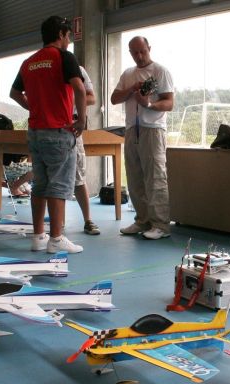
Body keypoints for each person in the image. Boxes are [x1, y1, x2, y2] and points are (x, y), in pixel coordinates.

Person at [9, 16, 87, 254]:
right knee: (60, 185)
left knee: (40, 184)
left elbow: (14, 93)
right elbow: (80, 89)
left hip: (35, 132)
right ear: (62, 34)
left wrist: (34, 107)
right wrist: (81, 120)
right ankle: (56, 239)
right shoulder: (64, 57)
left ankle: (38, 236)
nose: (69, 40)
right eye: (68, 36)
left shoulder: (29, 62)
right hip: (59, 131)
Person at [111, 36, 174, 240]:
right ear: (130, 53)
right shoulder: (128, 74)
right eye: (134, 52)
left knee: (155, 177)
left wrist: (148, 105)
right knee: (135, 177)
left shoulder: (160, 71)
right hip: (131, 129)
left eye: (142, 51)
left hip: (153, 129)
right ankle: (142, 220)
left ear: (149, 48)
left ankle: (160, 225)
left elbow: (169, 103)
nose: (139, 56)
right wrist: (131, 89)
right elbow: (114, 98)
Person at [74, 65, 100, 235]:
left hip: (73, 126)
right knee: (48, 180)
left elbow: (91, 98)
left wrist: (71, 99)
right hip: (48, 127)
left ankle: (87, 220)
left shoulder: (78, 69)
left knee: (79, 177)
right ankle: (55, 223)